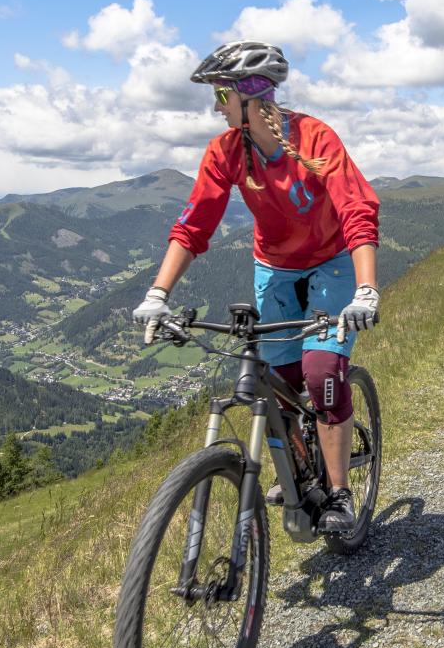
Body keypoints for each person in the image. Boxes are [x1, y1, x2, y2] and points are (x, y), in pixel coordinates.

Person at [132, 40, 381, 533]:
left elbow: (357, 211)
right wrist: (157, 295)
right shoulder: (226, 151)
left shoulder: (315, 139)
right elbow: (194, 224)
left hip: (333, 262)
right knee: (275, 384)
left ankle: (339, 495)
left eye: (220, 97)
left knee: (322, 374)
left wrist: (366, 288)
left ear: (249, 99)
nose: (216, 108)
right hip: (275, 266)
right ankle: (297, 473)